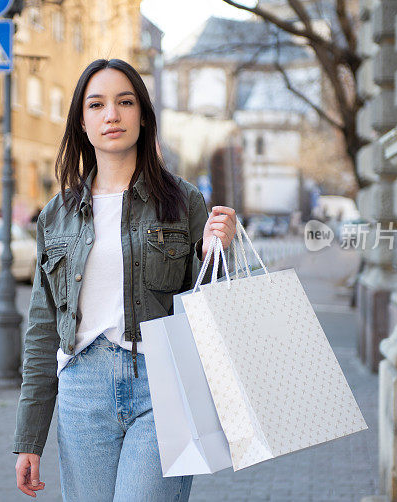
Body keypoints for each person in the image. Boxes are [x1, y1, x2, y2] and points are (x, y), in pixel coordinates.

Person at [13, 59, 236, 501]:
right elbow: (42, 329)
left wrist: (216, 252)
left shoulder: (182, 201)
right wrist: (29, 439)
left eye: (124, 102)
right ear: (82, 121)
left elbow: (208, 306)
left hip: (163, 385)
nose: (111, 114)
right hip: (82, 390)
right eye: (96, 104)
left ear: (142, 115)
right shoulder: (57, 215)